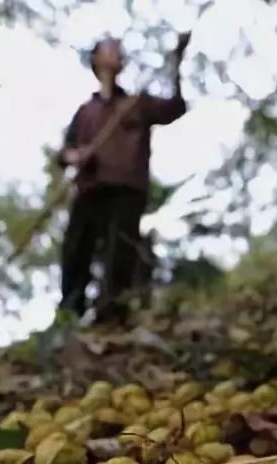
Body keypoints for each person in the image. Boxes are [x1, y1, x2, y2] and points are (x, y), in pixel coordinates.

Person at [57, 33, 189, 322]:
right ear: (96, 60)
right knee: (76, 251)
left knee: (120, 254)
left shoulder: (136, 104)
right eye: (111, 49)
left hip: (127, 190)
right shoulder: (85, 112)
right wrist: (77, 156)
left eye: (119, 50)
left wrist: (176, 63)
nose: (118, 52)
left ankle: (112, 316)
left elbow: (175, 108)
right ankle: (69, 313)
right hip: (91, 189)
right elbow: (64, 152)